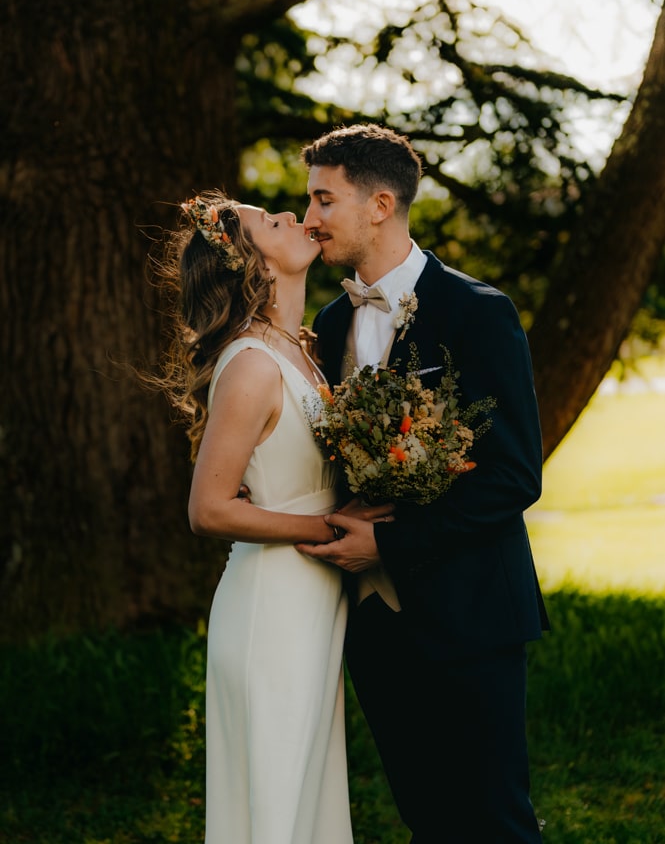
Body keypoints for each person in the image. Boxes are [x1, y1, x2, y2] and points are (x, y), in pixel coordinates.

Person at [296, 124, 549, 843]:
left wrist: (390, 542)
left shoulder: (476, 310)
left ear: (380, 204)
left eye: (323, 199)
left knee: (492, 820)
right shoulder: (330, 319)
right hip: (375, 624)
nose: (310, 219)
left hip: (470, 611)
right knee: (426, 816)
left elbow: (512, 475)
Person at [152, 191, 375, 844]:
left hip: (309, 601)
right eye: (268, 222)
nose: (289, 216)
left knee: (303, 798)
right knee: (274, 808)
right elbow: (209, 508)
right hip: (270, 610)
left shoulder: (299, 351)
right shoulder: (251, 365)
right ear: (247, 261)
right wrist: (327, 530)